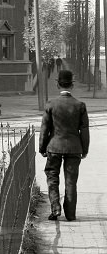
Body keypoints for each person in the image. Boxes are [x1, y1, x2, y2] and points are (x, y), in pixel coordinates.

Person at [39, 69, 90, 221]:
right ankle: (71, 214)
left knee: (52, 177)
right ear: (72, 85)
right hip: (74, 148)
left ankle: (55, 208)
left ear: (58, 85)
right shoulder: (80, 105)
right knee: (71, 181)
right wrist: (85, 149)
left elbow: (45, 129)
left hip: (54, 147)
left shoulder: (51, 104)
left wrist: (42, 148)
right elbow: (85, 131)